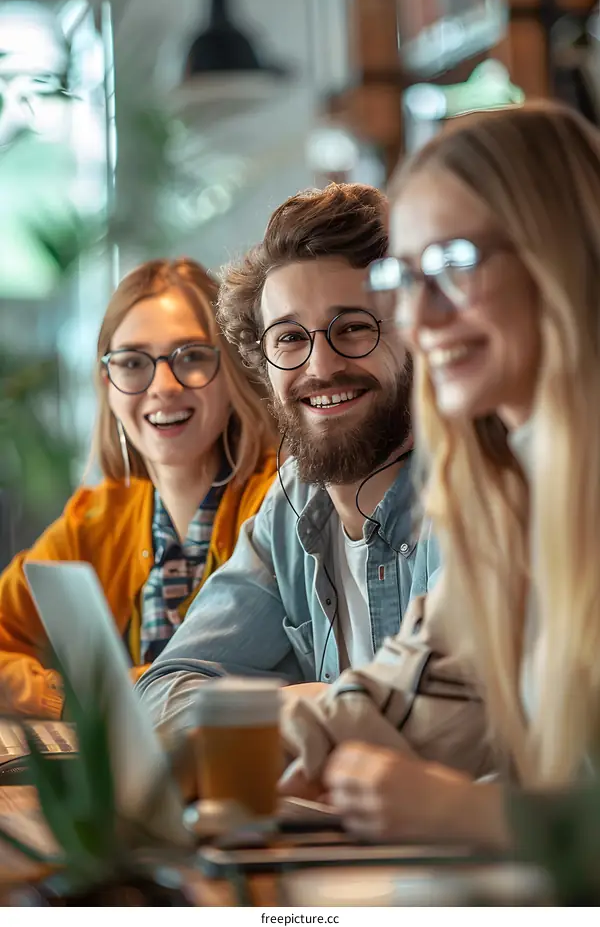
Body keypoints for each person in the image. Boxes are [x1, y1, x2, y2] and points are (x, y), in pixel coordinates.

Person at [281, 101, 600, 850]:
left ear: (557, 253)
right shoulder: (505, 489)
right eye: (404, 276)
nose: (419, 318)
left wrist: (476, 815)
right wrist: (218, 747)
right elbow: (415, 695)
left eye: (454, 265)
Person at [136, 183, 438, 737]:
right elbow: (162, 692)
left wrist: (297, 712)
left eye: (353, 328)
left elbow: (444, 721)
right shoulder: (294, 505)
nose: (320, 366)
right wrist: (304, 708)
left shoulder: (466, 498)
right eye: (289, 338)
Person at [0, 258, 276, 718]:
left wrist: (102, 694)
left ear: (232, 370)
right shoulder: (98, 516)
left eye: (191, 356)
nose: (163, 386)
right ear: (107, 384)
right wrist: (68, 695)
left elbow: (255, 683)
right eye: (132, 362)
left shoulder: (281, 501)